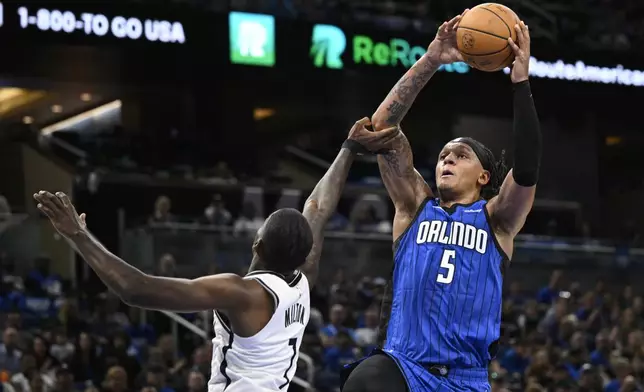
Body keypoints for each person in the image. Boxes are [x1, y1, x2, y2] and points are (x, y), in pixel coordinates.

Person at [33, 117, 399, 392]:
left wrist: (79, 236)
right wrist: (348, 149)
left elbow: (136, 289)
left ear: (257, 244)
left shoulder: (241, 292)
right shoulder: (304, 280)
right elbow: (317, 208)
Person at [341, 11, 542, 392]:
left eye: (461, 155)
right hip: (403, 366)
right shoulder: (414, 206)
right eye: (445, 155)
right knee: (363, 380)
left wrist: (520, 82)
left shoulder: (497, 219)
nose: (447, 159)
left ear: (484, 177)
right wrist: (431, 59)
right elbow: (381, 129)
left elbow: (528, 168)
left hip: (466, 378)